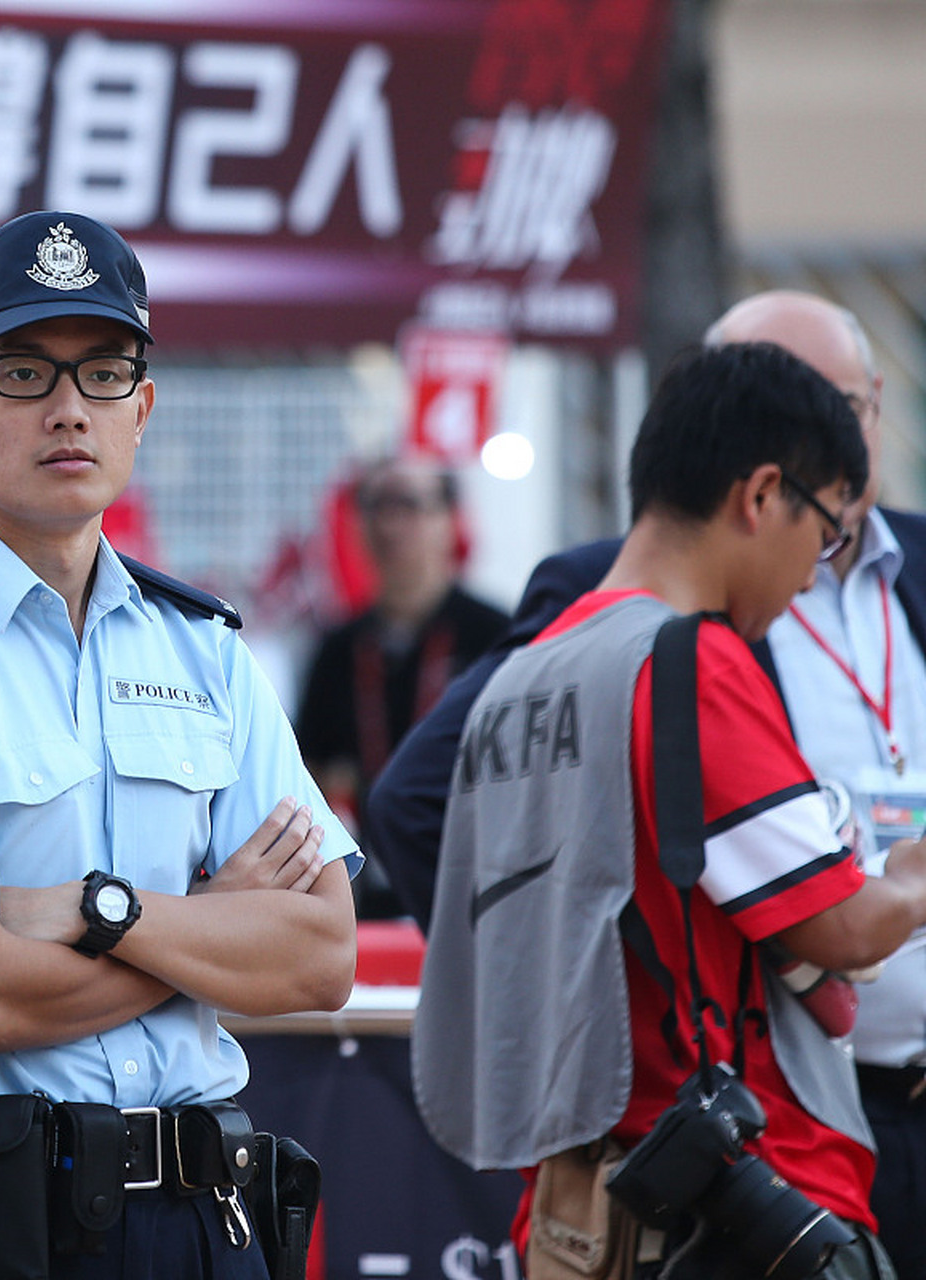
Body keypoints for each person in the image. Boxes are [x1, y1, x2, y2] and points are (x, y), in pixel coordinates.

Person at [0, 210, 359, 1279]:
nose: (67, 408)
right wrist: (208, 926)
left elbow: (322, 954)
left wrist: (105, 910)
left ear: (141, 408)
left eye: (103, 372)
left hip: (203, 1218)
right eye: (21, 371)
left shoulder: (208, 652)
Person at [366, 292, 926, 1275]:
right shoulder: (688, 662)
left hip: (585, 1189)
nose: (813, 575)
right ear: (760, 496)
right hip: (746, 1197)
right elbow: (842, 930)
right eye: (825, 531)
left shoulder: (538, 663)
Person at [295, 453, 506, 918]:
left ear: (450, 521)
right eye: (375, 505)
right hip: (362, 893)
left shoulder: (494, 637)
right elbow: (306, 772)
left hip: (475, 884)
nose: (390, 524)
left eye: (408, 505)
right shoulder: (337, 650)